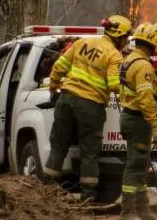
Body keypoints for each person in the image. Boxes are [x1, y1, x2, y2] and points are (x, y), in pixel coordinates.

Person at [43, 15, 132, 201]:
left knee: (58, 147)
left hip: (65, 101)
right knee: (89, 154)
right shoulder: (114, 56)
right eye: (127, 38)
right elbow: (115, 85)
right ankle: (88, 198)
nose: (127, 42)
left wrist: (53, 89)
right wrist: (130, 92)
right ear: (120, 36)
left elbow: (59, 67)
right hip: (91, 107)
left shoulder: (82, 43)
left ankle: (49, 191)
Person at [117, 23, 157, 220]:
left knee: (141, 165)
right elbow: (145, 98)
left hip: (130, 117)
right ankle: (128, 212)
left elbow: (151, 91)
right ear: (152, 44)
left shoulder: (128, 60)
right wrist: (155, 125)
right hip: (138, 120)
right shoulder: (143, 65)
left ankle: (143, 209)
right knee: (135, 165)